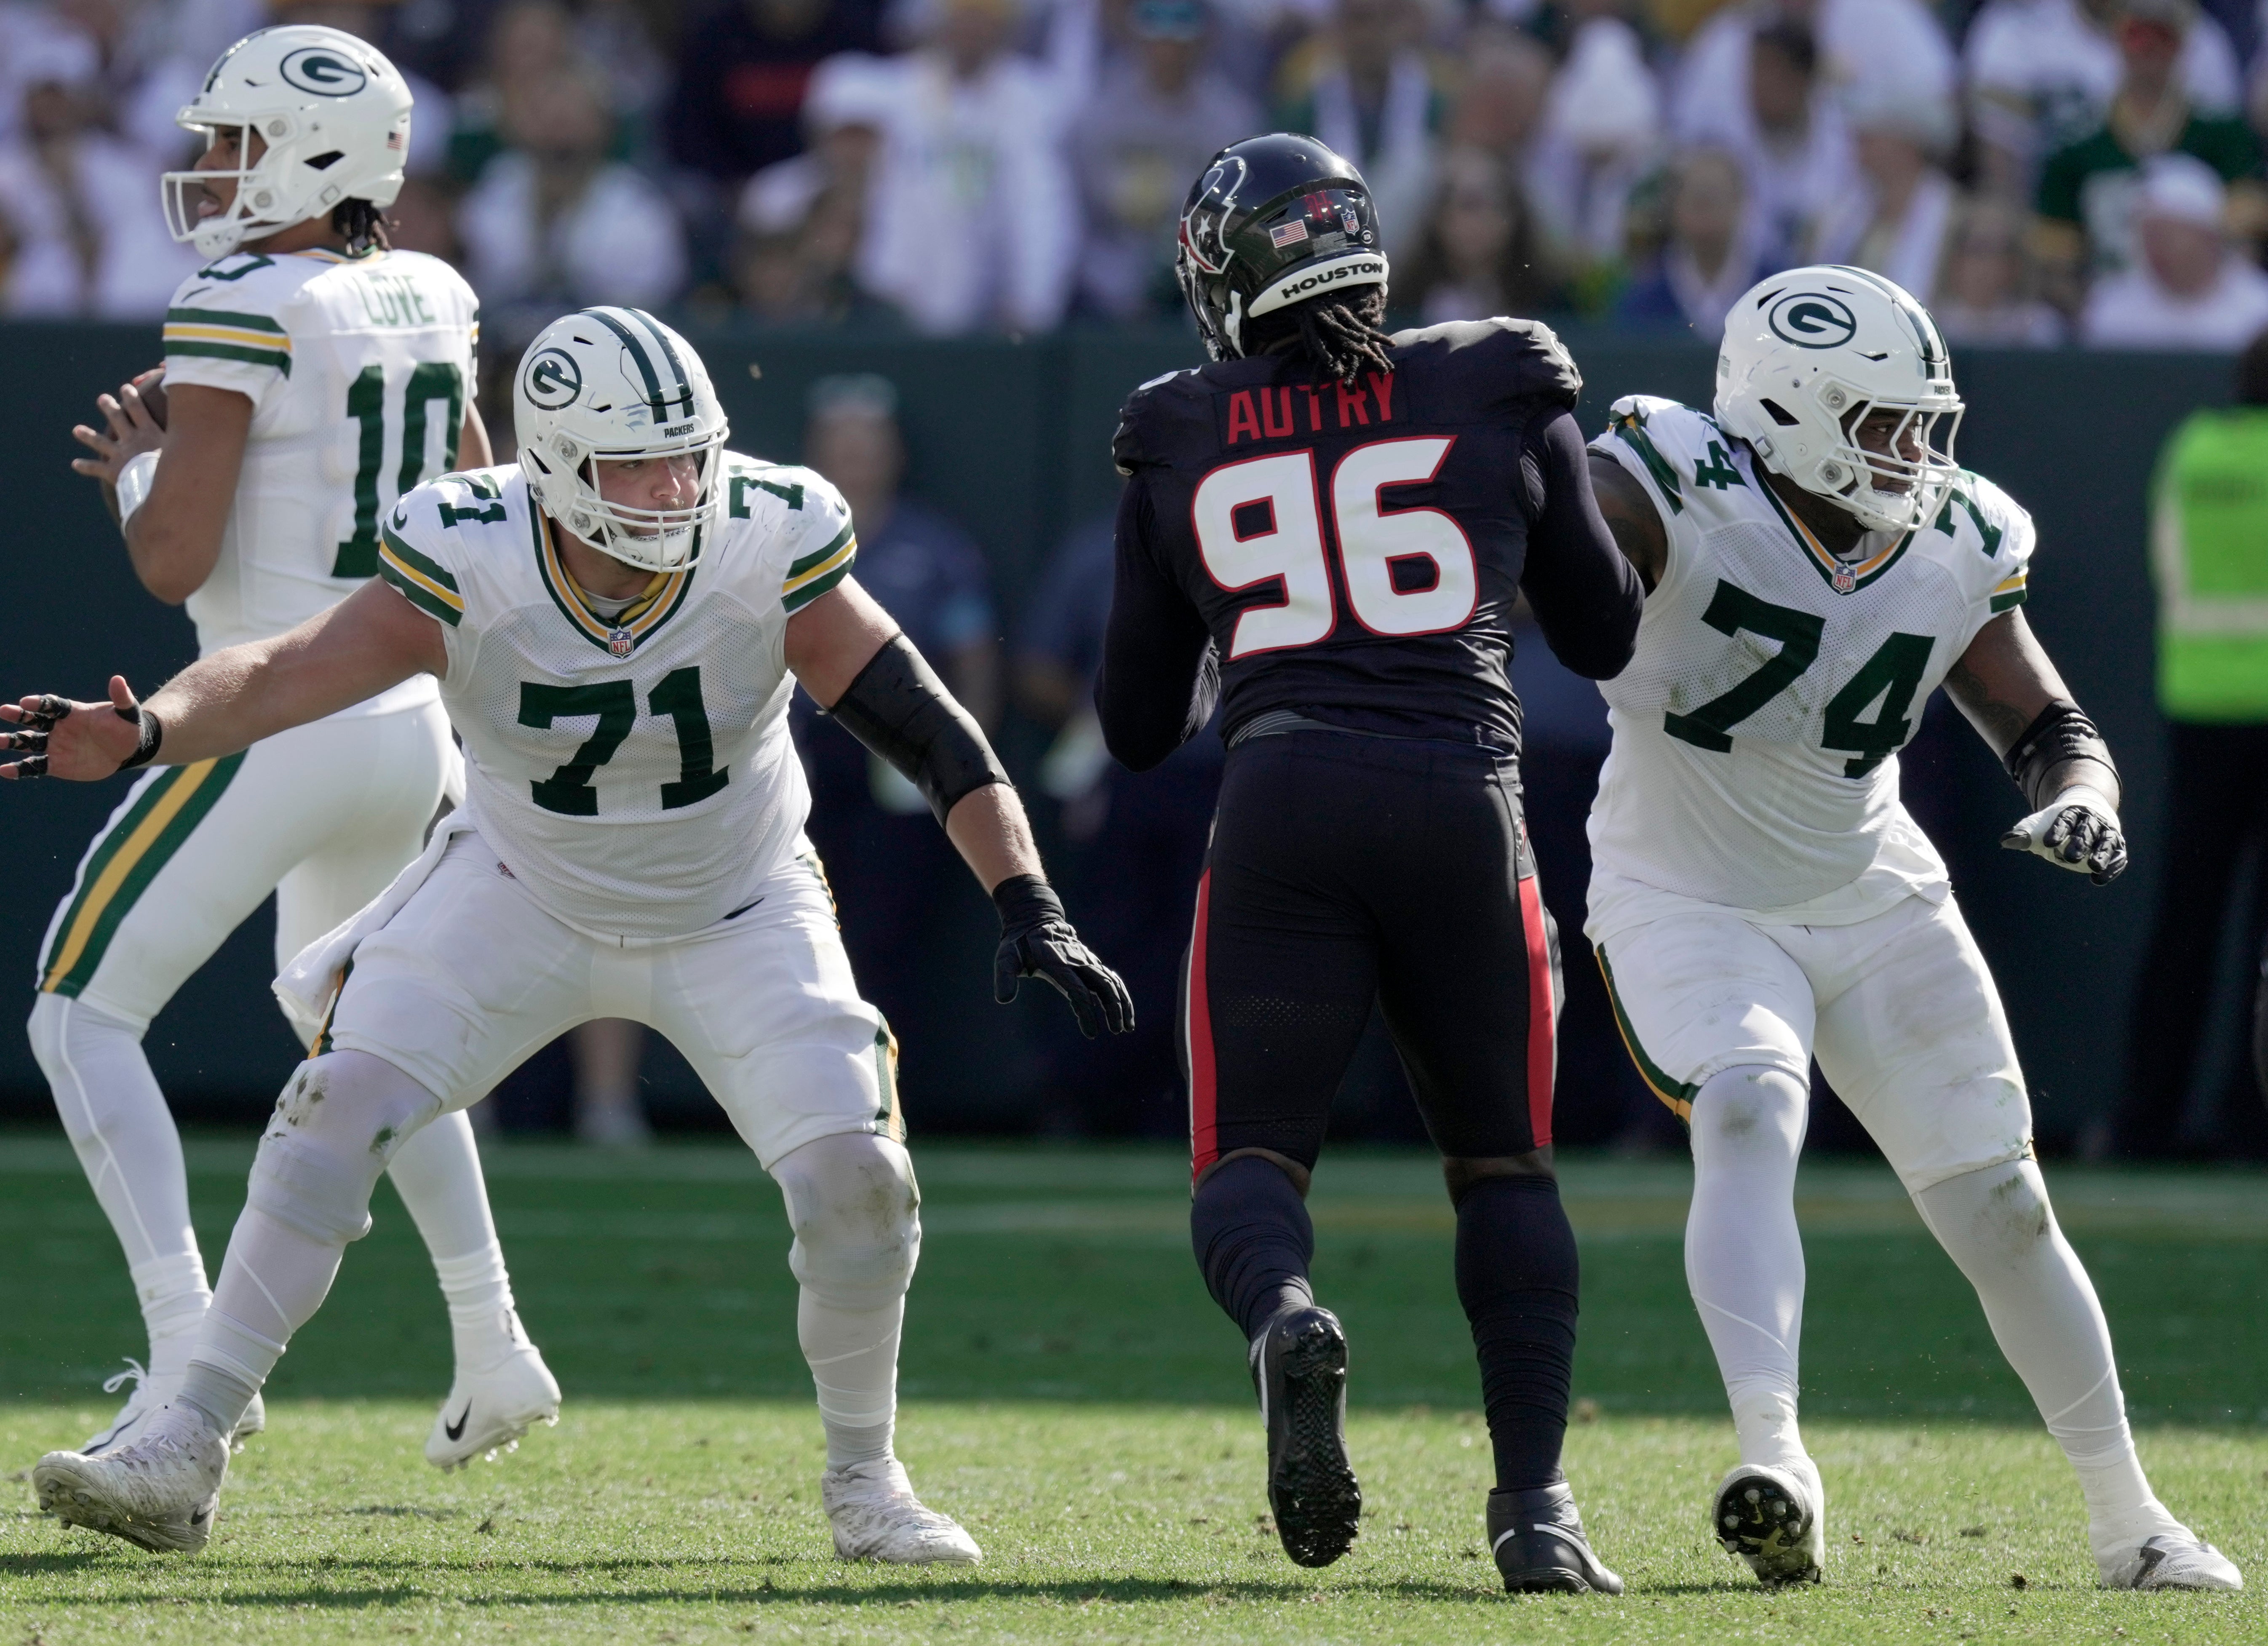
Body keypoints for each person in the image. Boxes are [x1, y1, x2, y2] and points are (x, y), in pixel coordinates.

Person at [19, 304, 1132, 1560]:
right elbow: (286, 671)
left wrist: (1027, 898)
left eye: (687, 453)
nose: (671, 488)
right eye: (632, 463)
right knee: (334, 1103)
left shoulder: (767, 531)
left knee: (858, 1182)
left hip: (737, 900)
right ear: (549, 467)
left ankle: (866, 1484)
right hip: (517, 883)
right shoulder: (470, 548)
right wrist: (154, 729)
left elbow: (928, 729)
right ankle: (189, 1440)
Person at [1582, 263, 2242, 1592]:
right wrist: (1541, 483)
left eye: (1920, 422)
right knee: (1751, 1105)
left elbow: (2044, 722)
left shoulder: (1953, 533)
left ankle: (2131, 1522)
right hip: (1685, 888)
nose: (1915, 451)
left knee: (2003, 1198)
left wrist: (2085, 797)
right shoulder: (1666, 476)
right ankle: (1776, 1456)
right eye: (1883, 422)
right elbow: (1575, 580)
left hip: (1872, 887)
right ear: (1789, 407)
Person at [1100, 134, 1643, 1592]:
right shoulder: (1496, 373)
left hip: (1281, 799)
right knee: (1504, 1164)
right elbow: (1604, 631)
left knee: (1249, 1155)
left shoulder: (1176, 422)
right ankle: (1534, 1505)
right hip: (1468, 792)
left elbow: (1134, 724)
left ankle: (1283, 1312)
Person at [32, 21, 558, 1476]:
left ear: (324, 151)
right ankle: (494, 1336)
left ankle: (192, 1351)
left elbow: (170, 558)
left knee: (77, 1013)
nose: (210, 168)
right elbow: (469, 502)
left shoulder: (237, 300)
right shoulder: (435, 290)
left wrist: (138, 465)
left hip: (272, 705)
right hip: (403, 715)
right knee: (362, 1034)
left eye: (237, 141)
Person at [2108, 328, 2268, 1158]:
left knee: (2184, 924)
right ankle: (2249, 1117)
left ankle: (2144, 1117)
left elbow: (2168, 564)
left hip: (2196, 704)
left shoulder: (2191, 450)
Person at [2081, 152, 2268, 347]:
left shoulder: (2260, 308)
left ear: (2208, 237)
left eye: (2166, 236)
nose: (2156, 248)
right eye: (2148, 237)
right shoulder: (2111, 309)